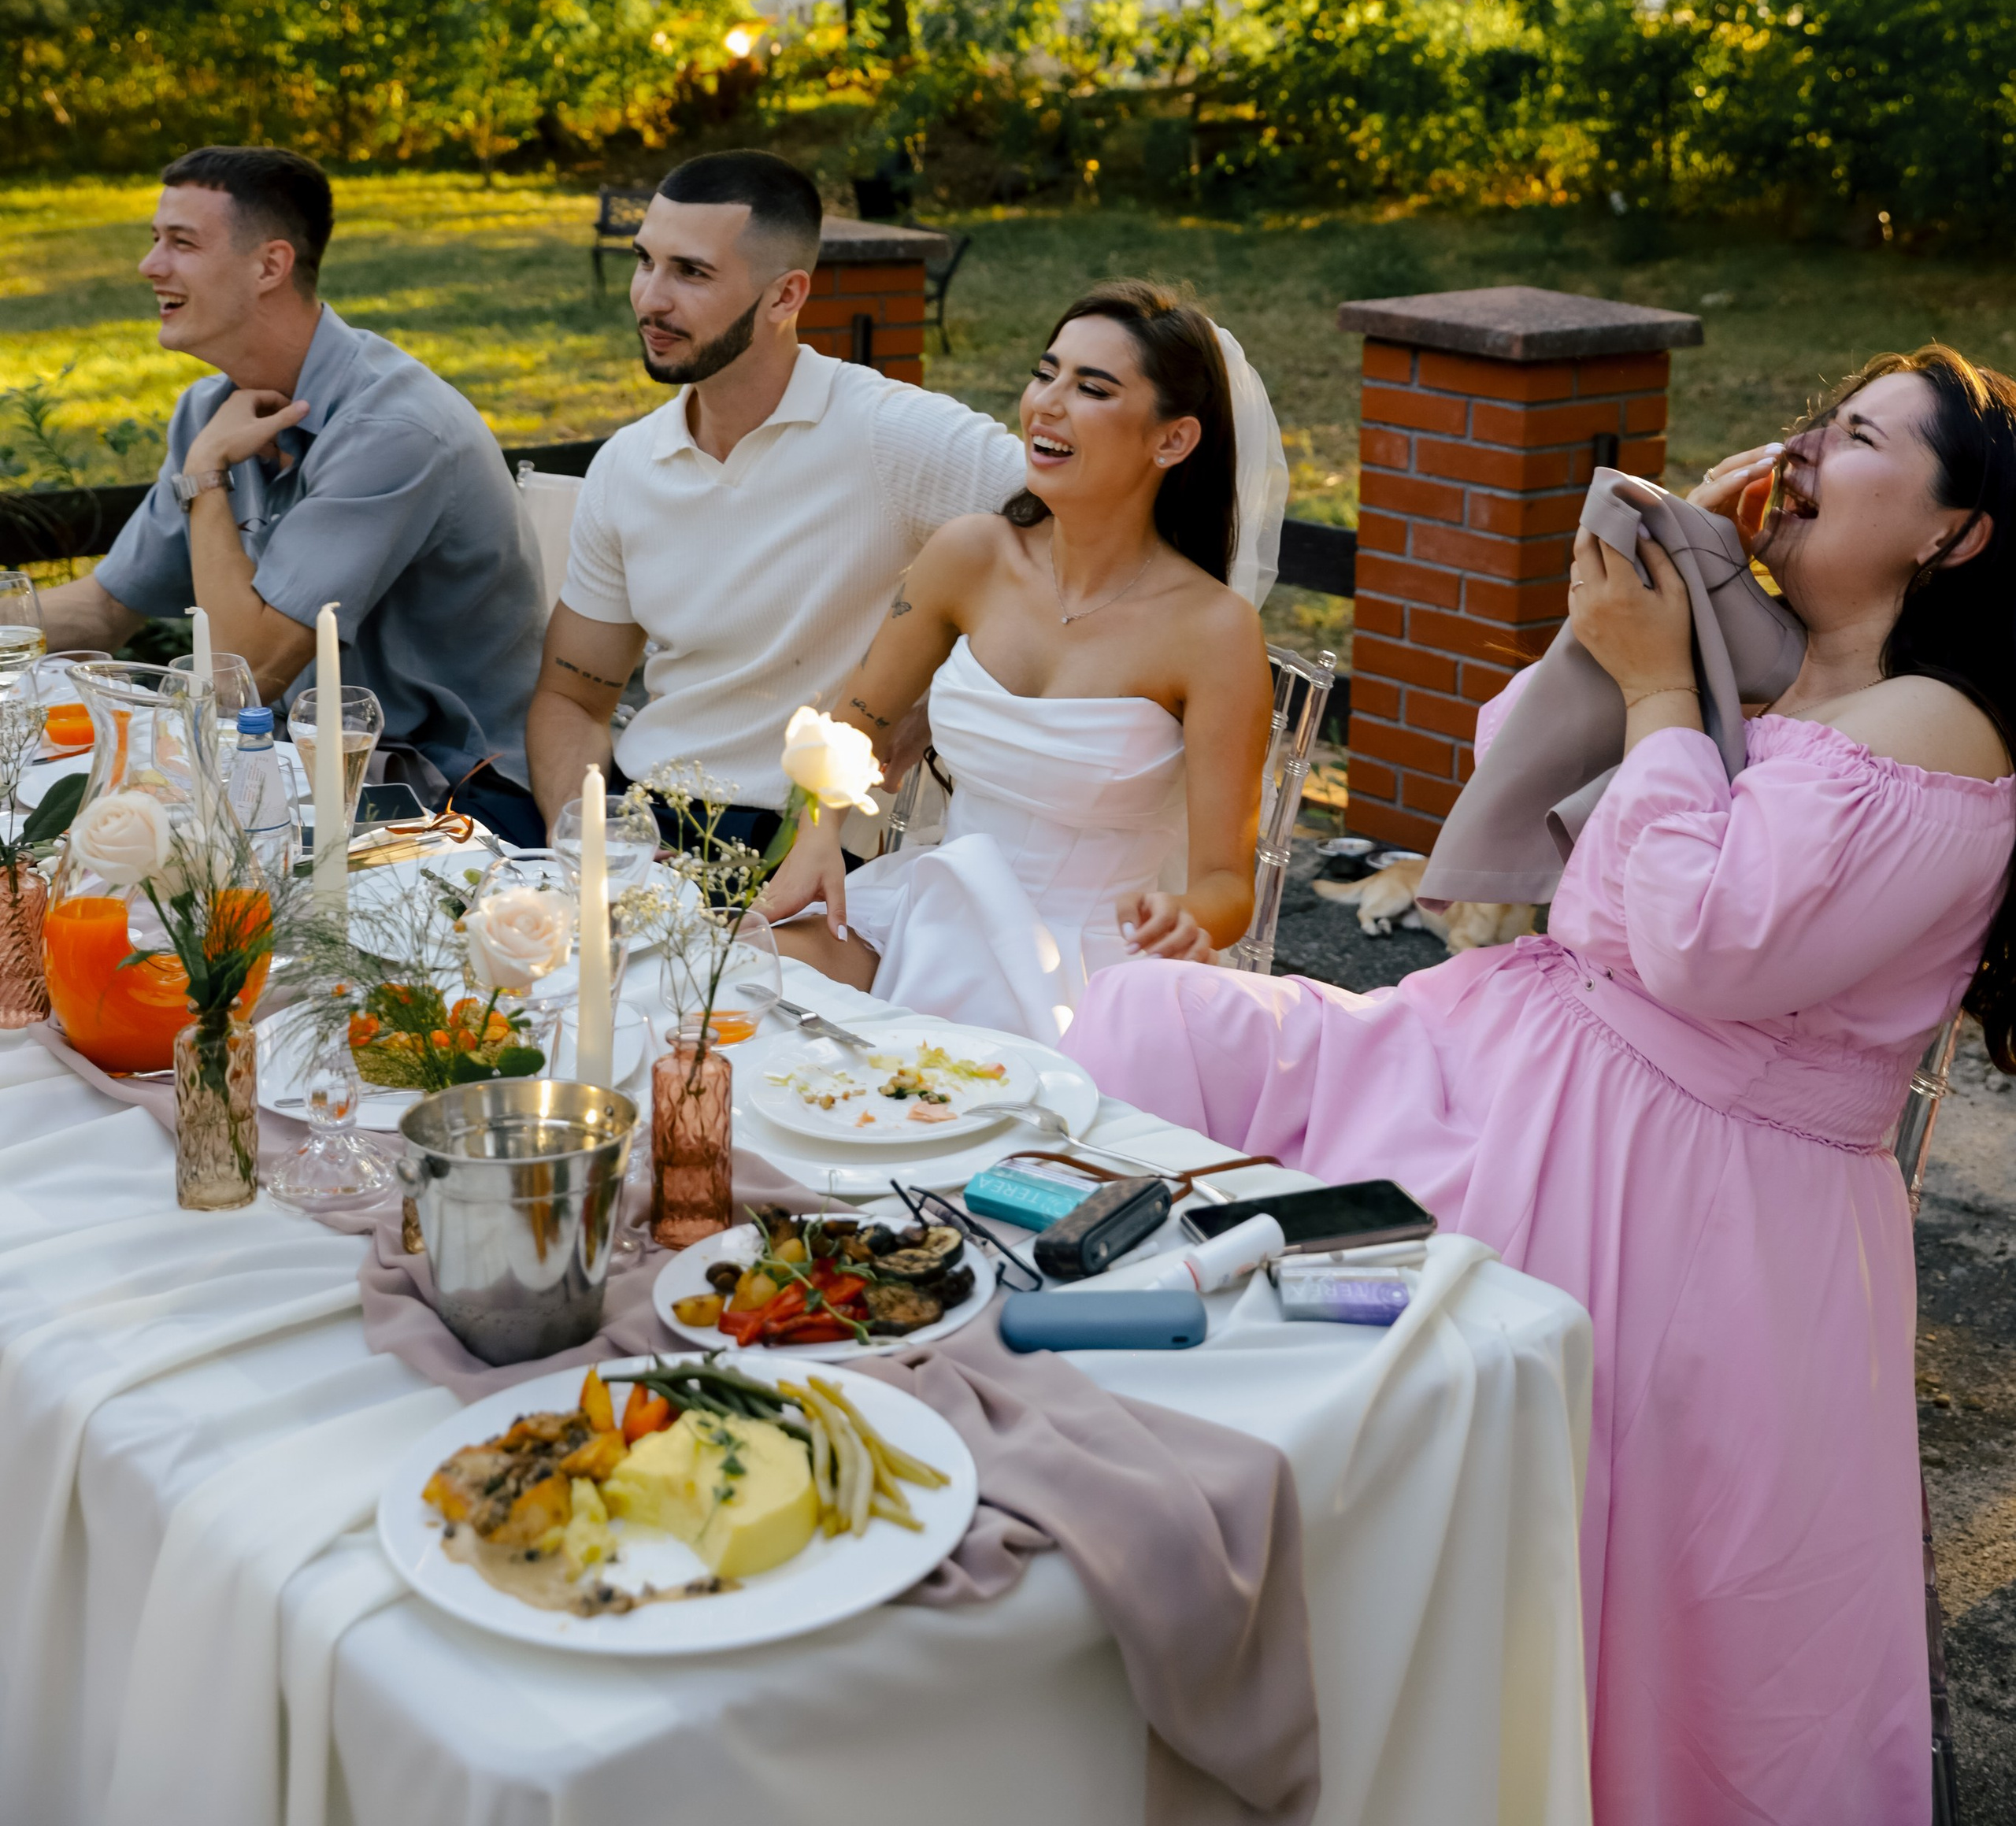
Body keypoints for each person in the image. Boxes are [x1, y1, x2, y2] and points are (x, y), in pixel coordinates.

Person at [1062, 344, 2016, 1826]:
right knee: (1141, 1036)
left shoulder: (1938, 729)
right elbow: (1522, 778)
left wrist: (1657, 691)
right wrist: (1673, 590)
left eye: (1865, 437)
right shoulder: (1758, 663)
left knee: (1596, 1563)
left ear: (1956, 532)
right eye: (1815, 417)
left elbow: (1704, 940)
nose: (1812, 447)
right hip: (1514, 1066)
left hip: (1699, 1204)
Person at [756, 280, 1280, 1043]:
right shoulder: (970, 554)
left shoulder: (1213, 632)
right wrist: (815, 834)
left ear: (1172, 440)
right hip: (927, 910)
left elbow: (1227, 886)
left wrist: (1186, 917)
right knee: (732, 987)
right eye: (1046, 373)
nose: (1047, 403)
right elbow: (854, 727)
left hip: (1089, 970)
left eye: (1091, 388)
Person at [40, 146, 547, 836]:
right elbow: (102, 610)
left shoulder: (395, 429)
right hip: (301, 770)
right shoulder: (210, 413)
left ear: (270, 266)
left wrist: (205, 480)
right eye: (155, 240)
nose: (150, 265)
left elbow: (241, 677)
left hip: (454, 799)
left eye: (181, 243)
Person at [526, 149, 1028, 847]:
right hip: (643, 816)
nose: (649, 298)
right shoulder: (626, 464)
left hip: (810, 847)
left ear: (785, 296)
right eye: (646, 262)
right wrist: (579, 843)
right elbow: (573, 698)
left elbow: (1093, 538)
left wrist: (946, 704)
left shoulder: (893, 435)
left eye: (691, 272)